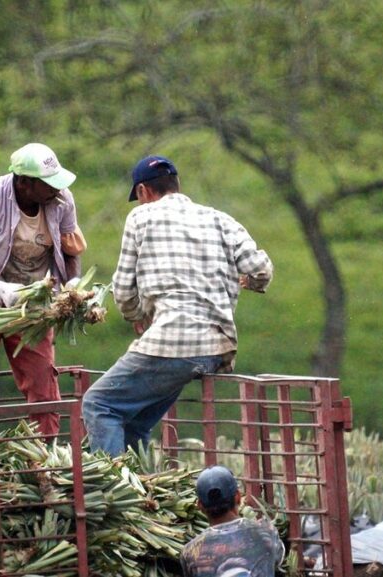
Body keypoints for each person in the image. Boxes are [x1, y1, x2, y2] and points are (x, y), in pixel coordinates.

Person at [81, 155, 273, 456]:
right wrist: (248, 284)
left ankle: (113, 493)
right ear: (177, 185)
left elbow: (123, 289)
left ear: (143, 192)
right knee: (134, 421)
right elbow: (261, 270)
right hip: (215, 347)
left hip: (171, 344)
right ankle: (138, 484)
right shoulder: (221, 219)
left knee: (99, 405)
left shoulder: (140, 218)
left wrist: (136, 316)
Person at [0, 142, 86, 436]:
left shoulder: (61, 199)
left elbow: (70, 250)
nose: (56, 190)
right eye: (48, 184)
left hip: (34, 301)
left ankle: (45, 458)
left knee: (43, 384)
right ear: (24, 183)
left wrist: (72, 284)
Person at [181, 466, 285, 577]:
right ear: (238, 497)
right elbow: (278, 561)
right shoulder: (265, 532)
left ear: (200, 506)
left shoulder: (190, 553)